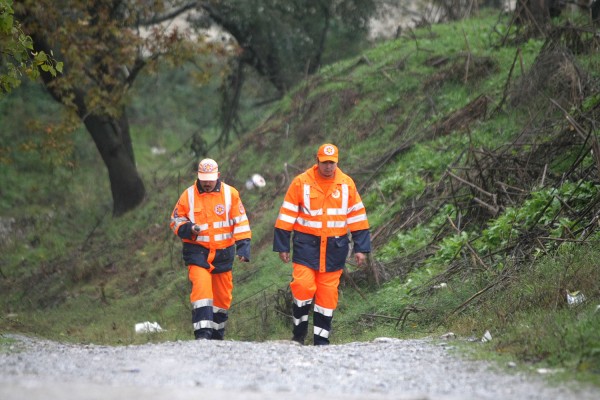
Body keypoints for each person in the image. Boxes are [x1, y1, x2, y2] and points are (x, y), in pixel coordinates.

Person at [273, 143, 371, 345]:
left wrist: (361, 248)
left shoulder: (347, 184)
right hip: (305, 245)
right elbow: (287, 214)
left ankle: (321, 341)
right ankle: (298, 335)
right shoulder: (301, 183)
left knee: (327, 295)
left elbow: (358, 217)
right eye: (325, 162)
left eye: (332, 163)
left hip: (335, 248)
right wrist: (283, 246)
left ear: (337, 162)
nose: (328, 166)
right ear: (317, 161)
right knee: (302, 286)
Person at [170, 158, 251, 340]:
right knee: (202, 290)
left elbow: (241, 221)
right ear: (198, 176)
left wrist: (243, 246)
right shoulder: (188, 196)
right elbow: (175, 220)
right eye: (203, 178)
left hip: (224, 254)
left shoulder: (231, 194)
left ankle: (216, 337)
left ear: (218, 176)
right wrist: (188, 229)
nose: (206, 182)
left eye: (210, 178)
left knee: (222, 299)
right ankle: (203, 336)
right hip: (197, 252)